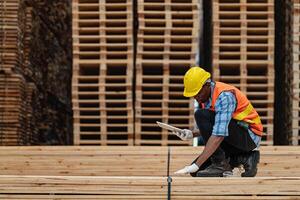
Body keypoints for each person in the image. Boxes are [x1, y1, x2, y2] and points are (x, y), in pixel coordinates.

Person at [173, 66, 262, 177]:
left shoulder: (224, 96)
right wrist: (192, 134)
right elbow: (218, 124)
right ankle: (244, 158)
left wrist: (197, 163)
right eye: (193, 95)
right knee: (196, 172)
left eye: (198, 93)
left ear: (207, 85)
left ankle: (220, 164)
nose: (196, 98)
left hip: (248, 136)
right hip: (233, 137)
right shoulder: (206, 97)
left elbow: (219, 134)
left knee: (200, 115)